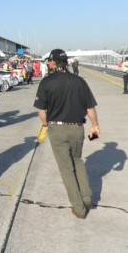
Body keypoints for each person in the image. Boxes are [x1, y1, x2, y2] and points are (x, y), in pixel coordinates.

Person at [34, 49, 100, 219]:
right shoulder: (79, 81)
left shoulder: (47, 82)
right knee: (77, 160)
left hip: (57, 128)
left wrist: (46, 124)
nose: (48, 64)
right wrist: (95, 125)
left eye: (50, 62)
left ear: (54, 63)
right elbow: (90, 107)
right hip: (77, 128)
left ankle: (78, 208)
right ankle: (87, 197)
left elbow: (41, 110)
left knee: (66, 168)